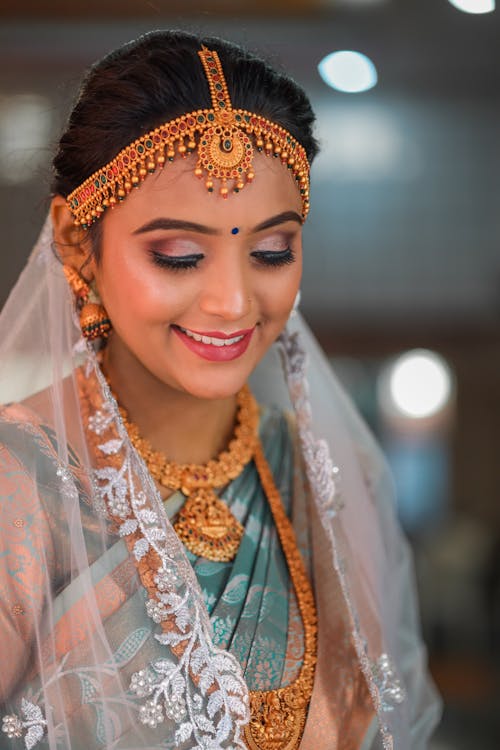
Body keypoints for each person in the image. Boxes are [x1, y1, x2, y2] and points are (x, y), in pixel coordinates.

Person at [0, 30, 440, 750]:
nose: (233, 302)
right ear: (79, 244)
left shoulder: (334, 483)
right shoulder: (19, 486)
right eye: (179, 255)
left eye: (272, 252)